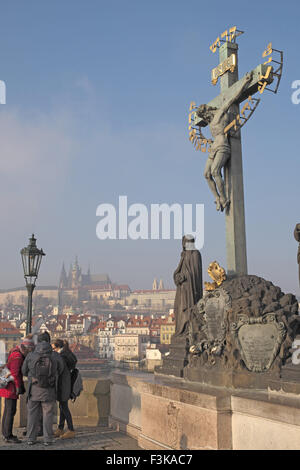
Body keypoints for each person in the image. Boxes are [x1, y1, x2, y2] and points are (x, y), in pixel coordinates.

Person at [196, 71, 253, 212]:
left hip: (222, 145)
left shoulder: (220, 112)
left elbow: (232, 98)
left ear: (208, 111)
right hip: (214, 147)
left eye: (204, 114)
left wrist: (245, 82)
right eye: (203, 115)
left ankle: (224, 198)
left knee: (215, 172)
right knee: (206, 174)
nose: (204, 117)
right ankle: (217, 198)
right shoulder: (209, 121)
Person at [21, 332, 64, 446]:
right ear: (49, 341)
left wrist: (32, 376)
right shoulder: (55, 355)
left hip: (34, 390)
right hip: (49, 390)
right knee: (48, 415)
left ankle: (31, 438)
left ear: (38, 341)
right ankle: (48, 439)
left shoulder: (31, 355)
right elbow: (61, 369)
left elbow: (24, 371)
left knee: (32, 415)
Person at [0, 337, 34, 443]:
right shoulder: (18, 357)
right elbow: (15, 374)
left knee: (7, 411)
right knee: (10, 411)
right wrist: (19, 387)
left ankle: (5, 433)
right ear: (26, 349)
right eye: (29, 351)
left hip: (8, 387)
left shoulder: (14, 352)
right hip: (11, 388)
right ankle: (8, 435)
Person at [173, 235, 203, 337]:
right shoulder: (184, 255)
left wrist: (184, 276)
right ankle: (180, 331)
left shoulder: (195, 254)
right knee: (178, 310)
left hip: (190, 290)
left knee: (187, 311)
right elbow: (179, 269)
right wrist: (177, 277)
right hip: (182, 289)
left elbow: (195, 274)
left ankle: (187, 332)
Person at [52, 339, 77, 439]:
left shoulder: (62, 357)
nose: (52, 350)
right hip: (66, 384)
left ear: (58, 347)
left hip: (63, 385)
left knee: (64, 408)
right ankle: (60, 428)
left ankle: (71, 429)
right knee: (62, 406)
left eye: (53, 348)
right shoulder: (67, 354)